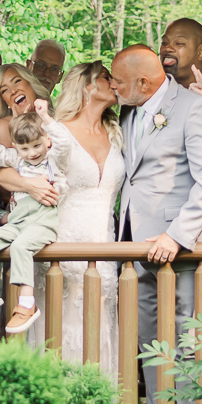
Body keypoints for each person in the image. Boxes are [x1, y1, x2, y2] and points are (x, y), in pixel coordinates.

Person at [110, 44, 202, 404]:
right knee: (148, 339)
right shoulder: (128, 111)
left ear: (142, 82)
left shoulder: (196, 108)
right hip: (135, 243)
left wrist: (177, 236)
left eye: (117, 81)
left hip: (182, 248)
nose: (112, 87)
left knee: (186, 339)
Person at [46, 61, 125, 381]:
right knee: (66, 331)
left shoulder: (117, 132)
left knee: (100, 331)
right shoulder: (57, 132)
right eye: (108, 78)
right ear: (87, 87)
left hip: (106, 249)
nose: (115, 82)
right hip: (63, 246)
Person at [0, 108, 66, 335]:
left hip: (42, 221)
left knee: (21, 246)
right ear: (16, 146)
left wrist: (46, 120)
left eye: (36, 145)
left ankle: (26, 303)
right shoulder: (17, 159)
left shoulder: (53, 160)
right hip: (18, 221)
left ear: (47, 141)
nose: (32, 153)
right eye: (24, 148)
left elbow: (64, 144)